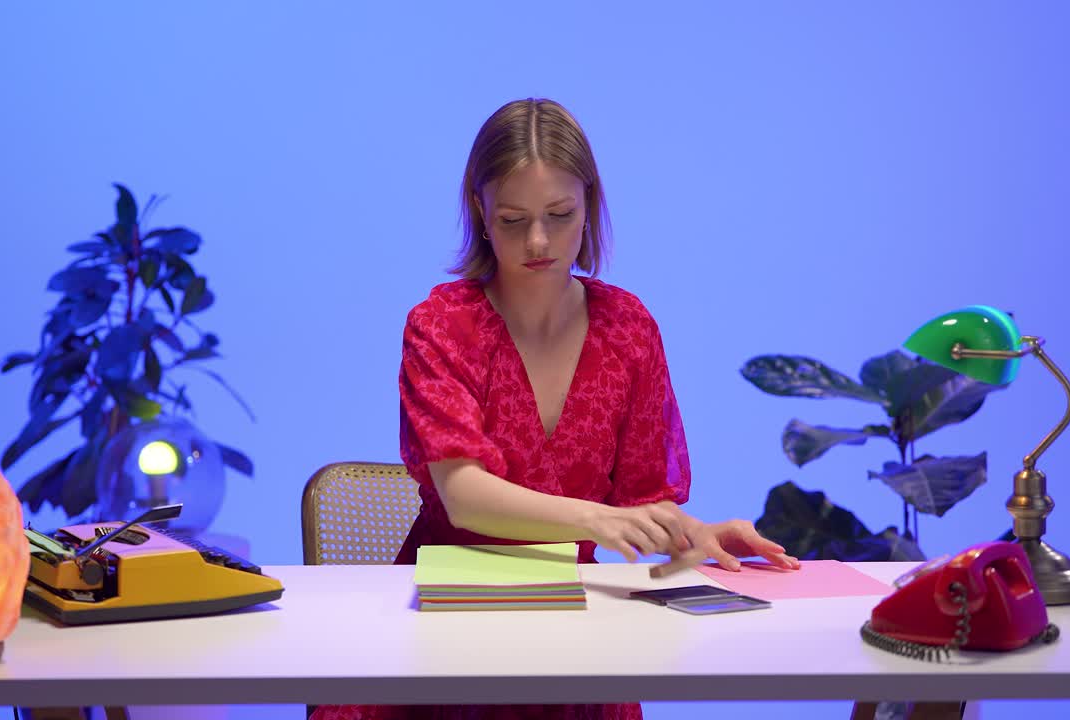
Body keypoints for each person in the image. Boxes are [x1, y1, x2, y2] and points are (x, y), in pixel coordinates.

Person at [310, 98, 800, 720]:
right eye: (513, 219)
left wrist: (694, 535)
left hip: (579, 631)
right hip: (441, 640)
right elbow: (463, 495)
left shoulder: (629, 327)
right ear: (480, 213)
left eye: (560, 214)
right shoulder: (441, 325)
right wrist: (600, 521)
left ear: (590, 206)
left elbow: (640, 503)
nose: (538, 240)